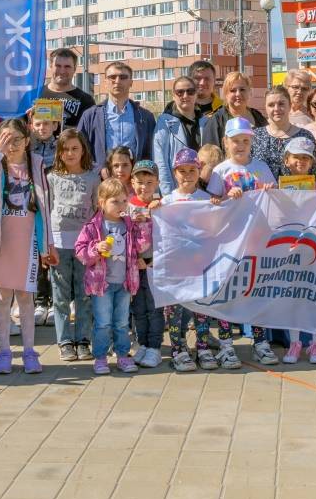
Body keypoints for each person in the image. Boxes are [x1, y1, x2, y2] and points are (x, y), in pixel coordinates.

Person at [0, 118, 58, 375]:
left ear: (27, 140)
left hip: (28, 241)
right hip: (0, 240)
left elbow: (45, 207)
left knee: (25, 297)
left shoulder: (36, 164)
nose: (11, 145)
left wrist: (48, 244)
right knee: (2, 298)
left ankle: (29, 351)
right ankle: (4, 352)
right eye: (5, 139)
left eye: (16, 139)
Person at [205, 117, 279, 366]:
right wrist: (227, 197)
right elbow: (212, 207)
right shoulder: (220, 171)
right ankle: (226, 345)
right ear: (226, 142)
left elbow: (278, 203)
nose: (240, 145)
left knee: (256, 292)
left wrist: (271, 192)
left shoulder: (261, 167)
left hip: (257, 241)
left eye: (245, 141)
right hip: (229, 243)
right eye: (235, 141)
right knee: (227, 293)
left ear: (252, 142)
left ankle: (260, 342)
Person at [76, 178, 150, 375]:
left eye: (124, 201)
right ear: (102, 202)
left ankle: (123, 356)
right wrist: (95, 249)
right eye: (115, 201)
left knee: (122, 322)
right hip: (102, 285)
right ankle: (100, 357)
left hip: (124, 283)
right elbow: (80, 251)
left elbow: (142, 246)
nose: (121, 205)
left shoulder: (130, 225)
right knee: (102, 322)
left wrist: (143, 226)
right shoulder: (93, 226)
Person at [281, 138, 316, 365]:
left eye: (306, 158)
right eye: (296, 157)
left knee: (315, 296)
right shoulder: (280, 188)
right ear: (287, 160)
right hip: (290, 251)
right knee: (292, 298)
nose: (301, 162)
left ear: (312, 162)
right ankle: (295, 343)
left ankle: (315, 342)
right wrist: (267, 193)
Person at [48, 128, 101, 362]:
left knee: (84, 295)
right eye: (65, 149)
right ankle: (64, 341)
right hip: (58, 244)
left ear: (83, 150)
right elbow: (45, 210)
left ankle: (82, 340)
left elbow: (98, 211)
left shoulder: (92, 177)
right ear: (59, 153)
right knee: (60, 296)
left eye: (74, 148)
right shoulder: (51, 178)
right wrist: (45, 246)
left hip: (84, 247)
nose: (70, 153)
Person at [160, 148, 216, 372]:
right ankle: (178, 349)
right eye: (182, 170)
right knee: (174, 310)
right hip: (176, 267)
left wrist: (218, 207)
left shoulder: (206, 199)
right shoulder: (167, 200)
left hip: (200, 266)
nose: (187, 175)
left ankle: (202, 347)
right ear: (175, 173)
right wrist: (154, 208)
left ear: (199, 170)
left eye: (192, 170)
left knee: (201, 309)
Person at [78, 61, 157, 169]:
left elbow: (151, 152)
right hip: (101, 181)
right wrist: (97, 170)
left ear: (131, 82)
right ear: (105, 82)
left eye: (123, 77)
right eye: (112, 77)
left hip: (135, 182)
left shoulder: (145, 117)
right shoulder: (90, 116)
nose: (117, 81)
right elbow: (80, 150)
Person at [128, 160, 163, 368]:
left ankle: (155, 347)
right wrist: (135, 257)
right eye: (140, 182)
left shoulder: (161, 206)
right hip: (134, 267)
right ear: (132, 182)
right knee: (138, 309)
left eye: (150, 182)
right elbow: (124, 235)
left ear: (157, 183)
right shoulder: (128, 206)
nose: (144, 187)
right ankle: (142, 343)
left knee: (154, 308)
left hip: (154, 266)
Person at [154, 75, 201, 196]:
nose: (185, 96)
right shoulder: (164, 122)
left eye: (190, 91)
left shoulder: (205, 122)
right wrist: (168, 194)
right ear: (173, 95)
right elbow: (160, 160)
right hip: (176, 191)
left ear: (196, 94)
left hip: (202, 191)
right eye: (180, 92)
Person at [251, 85, 312, 179]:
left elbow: (314, 175)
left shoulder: (305, 136)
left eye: (281, 104)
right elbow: (247, 170)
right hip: (263, 193)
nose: (276, 109)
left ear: (290, 105)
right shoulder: (255, 136)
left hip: (297, 192)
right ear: (265, 108)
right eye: (271, 105)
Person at [199, 71, 265, 147]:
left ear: (249, 91)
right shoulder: (215, 121)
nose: (238, 94)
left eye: (242, 89)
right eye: (233, 90)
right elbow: (210, 154)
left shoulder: (258, 116)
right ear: (226, 94)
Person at [38, 47, 97, 129]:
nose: (62, 71)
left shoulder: (86, 101)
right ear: (50, 66)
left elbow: (90, 132)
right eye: (58, 66)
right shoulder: (35, 95)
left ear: (75, 69)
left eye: (67, 67)